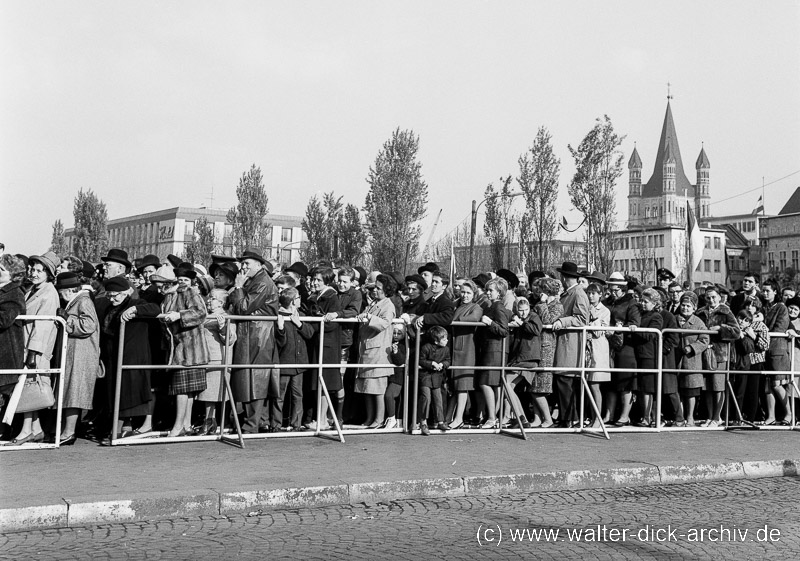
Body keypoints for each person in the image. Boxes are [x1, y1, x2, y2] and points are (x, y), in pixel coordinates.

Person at [128, 265, 209, 437]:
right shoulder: (169, 296)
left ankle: (179, 426)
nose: (159, 288)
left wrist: (180, 315)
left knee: (182, 389)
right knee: (185, 389)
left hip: (190, 348)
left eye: (161, 284)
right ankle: (185, 425)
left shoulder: (189, 292)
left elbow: (201, 312)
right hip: (180, 348)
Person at [8, 252, 60, 444]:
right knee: (32, 389)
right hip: (28, 346)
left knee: (29, 388)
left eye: (39, 270)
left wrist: (32, 354)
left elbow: (43, 326)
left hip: (35, 349)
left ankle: (26, 430)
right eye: (32, 269)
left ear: (49, 273)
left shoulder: (48, 293)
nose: (34, 273)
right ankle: (35, 429)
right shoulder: (35, 289)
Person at [99, 276, 158, 438]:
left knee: (126, 393)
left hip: (132, 356)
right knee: (116, 392)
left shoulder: (135, 303)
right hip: (114, 356)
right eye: (109, 295)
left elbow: (155, 309)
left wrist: (135, 310)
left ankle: (117, 431)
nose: (112, 298)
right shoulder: (108, 307)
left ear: (126, 292)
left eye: (116, 295)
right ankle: (123, 428)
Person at [228, 248, 280, 434]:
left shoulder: (262, 283)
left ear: (259, 264)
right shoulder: (256, 280)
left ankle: (251, 425)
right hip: (253, 334)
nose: (243, 267)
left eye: (247, 263)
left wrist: (239, 287)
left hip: (258, 335)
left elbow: (242, 308)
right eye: (242, 263)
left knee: (255, 379)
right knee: (250, 378)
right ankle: (255, 422)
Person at [54, 272, 101, 445]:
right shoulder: (81, 300)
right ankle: (68, 430)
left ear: (70, 290)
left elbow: (89, 325)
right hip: (77, 353)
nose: (60, 295)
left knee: (74, 393)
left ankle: (69, 432)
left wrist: (68, 319)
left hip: (81, 354)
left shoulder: (84, 301)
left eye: (61, 291)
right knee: (71, 392)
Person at [695, 285, 740, 427]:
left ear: (720, 297)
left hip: (720, 353)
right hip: (705, 352)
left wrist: (721, 328)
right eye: (708, 297)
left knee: (718, 385)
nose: (711, 300)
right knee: (707, 387)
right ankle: (710, 416)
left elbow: (736, 331)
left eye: (714, 297)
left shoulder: (726, 311)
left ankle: (717, 416)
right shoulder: (700, 312)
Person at [354, 274, 396, 429]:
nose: (375, 291)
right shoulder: (373, 304)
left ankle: (379, 419)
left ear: (386, 290)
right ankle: (370, 418)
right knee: (367, 387)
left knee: (377, 389)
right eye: (375, 287)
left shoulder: (388, 305)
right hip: (366, 350)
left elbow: (385, 323)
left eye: (379, 288)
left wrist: (369, 317)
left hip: (378, 352)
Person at [551, 262, 590, 428]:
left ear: (564, 277)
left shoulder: (578, 293)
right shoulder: (570, 293)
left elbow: (582, 319)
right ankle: (566, 417)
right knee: (564, 381)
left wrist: (563, 321)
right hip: (566, 342)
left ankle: (569, 418)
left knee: (566, 381)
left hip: (571, 343)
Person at [306, 265, 342, 430]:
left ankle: (322, 419)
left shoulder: (331, 297)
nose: (315, 282)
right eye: (314, 279)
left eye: (319, 280)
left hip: (327, 345)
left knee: (324, 382)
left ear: (327, 281)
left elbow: (331, 325)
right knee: (318, 382)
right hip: (318, 342)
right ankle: (320, 418)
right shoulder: (316, 296)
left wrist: (314, 320)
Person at [196, 289, 236, 435]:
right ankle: (209, 421)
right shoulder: (206, 314)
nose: (208, 300)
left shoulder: (226, 316)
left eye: (212, 298)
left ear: (221, 302)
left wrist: (222, 328)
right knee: (207, 394)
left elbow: (230, 339)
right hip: (205, 357)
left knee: (212, 393)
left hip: (217, 357)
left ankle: (210, 422)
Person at [445, 279, 483, 429]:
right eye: (463, 292)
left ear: (474, 294)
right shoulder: (456, 305)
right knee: (455, 386)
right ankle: (448, 417)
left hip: (466, 350)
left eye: (468, 293)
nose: (465, 295)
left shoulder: (476, 307)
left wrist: (453, 319)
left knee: (462, 385)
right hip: (454, 349)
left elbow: (473, 319)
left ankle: (459, 418)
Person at [604, 272, 641, 427]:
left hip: (626, 346)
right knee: (611, 382)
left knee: (625, 382)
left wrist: (620, 328)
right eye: (611, 289)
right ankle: (609, 414)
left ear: (623, 288)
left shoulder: (631, 303)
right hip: (609, 345)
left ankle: (624, 415)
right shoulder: (607, 301)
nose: (613, 292)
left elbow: (635, 322)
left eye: (616, 289)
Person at [273, 287, 312, 431]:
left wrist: (300, 324)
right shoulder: (279, 315)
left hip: (299, 364)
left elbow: (309, 333)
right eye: (298, 298)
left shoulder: (301, 314)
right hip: (285, 363)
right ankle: (275, 424)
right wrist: (281, 328)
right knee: (280, 395)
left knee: (298, 395)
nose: (301, 300)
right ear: (292, 301)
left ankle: (296, 424)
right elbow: (280, 343)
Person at [503, 295, 542, 429]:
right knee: (508, 386)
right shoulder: (516, 317)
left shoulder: (533, 316)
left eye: (525, 310)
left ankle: (520, 417)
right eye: (520, 310)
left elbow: (536, 330)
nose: (523, 313)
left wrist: (521, 323)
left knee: (506, 383)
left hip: (528, 359)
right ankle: (521, 418)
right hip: (520, 358)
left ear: (529, 308)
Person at [476, 277, 511, 429]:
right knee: (492, 384)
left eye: (491, 290)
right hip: (490, 348)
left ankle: (491, 417)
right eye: (487, 290)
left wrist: (490, 323)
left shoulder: (498, 307)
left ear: (499, 292)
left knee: (485, 383)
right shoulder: (493, 306)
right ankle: (493, 416)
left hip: (495, 349)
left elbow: (504, 330)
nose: (488, 293)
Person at [0, 254, 27, 441]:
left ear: (13, 274)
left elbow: (4, 319)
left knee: (3, 395)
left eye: (1, 269)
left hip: (6, 352)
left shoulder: (14, 293)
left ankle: (4, 431)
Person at [530, 277, 561, 428]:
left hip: (546, 348)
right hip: (535, 346)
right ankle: (537, 417)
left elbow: (548, 321)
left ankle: (548, 418)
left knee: (540, 387)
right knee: (533, 386)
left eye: (541, 290)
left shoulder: (557, 306)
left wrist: (542, 304)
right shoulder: (539, 304)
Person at [676, 292, 710, 427]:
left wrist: (692, 347)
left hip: (692, 360)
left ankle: (690, 418)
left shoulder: (698, 322)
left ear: (694, 308)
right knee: (678, 390)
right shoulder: (675, 319)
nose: (685, 308)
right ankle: (679, 417)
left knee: (690, 390)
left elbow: (705, 339)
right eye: (683, 305)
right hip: (677, 359)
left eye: (688, 306)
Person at [761, 279, 792, 425]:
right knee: (768, 386)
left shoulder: (781, 307)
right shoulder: (763, 306)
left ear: (775, 292)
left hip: (777, 350)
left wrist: (762, 332)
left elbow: (780, 328)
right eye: (764, 290)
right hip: (765, 351)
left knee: (778, 384)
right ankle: (771, 416)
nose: (765, 293)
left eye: (768, 290)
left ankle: (789, 414)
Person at [632, 288, 664, 427]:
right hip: (638, 354)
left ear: (654, 303)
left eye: (646, 302)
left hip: (648, 355)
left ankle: (648, 417)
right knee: (641, 388)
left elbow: (650, 335)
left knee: (647, 388)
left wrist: (636, 329)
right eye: (642, 301)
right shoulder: (640, 314)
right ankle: (644, 415)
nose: (642, 304)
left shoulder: (656, 316)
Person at [416, 325, 451, 435]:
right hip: (425, 376)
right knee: (426, 398)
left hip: (437, 377)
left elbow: (448, 361)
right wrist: (432, 364)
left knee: (438, 399)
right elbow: (420, 360)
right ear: (436, 341)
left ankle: (440, 421)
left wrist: (442, 364)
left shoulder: (446, 349)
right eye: (444, 339)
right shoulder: (426, 347)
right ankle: (423, 422)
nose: (447, 340)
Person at [585, 282, 610, 429]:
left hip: (598, 351)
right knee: (587, 385)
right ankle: (590, 416)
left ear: (600, 294)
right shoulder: (585, 307)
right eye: (589, 293)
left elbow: (599, 332)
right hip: (586, 351)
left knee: (595, 386)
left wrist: (594, 318)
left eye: (594, 293)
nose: (591, 296)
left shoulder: (604, 311)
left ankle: (598, 419)